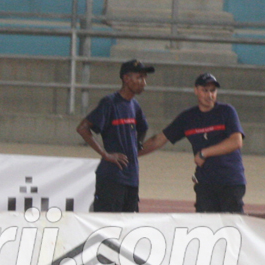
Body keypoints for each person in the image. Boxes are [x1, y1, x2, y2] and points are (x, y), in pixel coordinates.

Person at [139, 73, 246, 213]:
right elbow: (159, 139)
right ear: (196, 90)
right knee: (204, 223)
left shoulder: (226, 111)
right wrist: (133, 154)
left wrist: (204, 153)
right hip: (205, 183)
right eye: (205, 90)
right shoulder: (188, 117)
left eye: (213, 91)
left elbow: (236, 142)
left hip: (230, 181)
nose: (210, 95)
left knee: (231, 223)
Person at [76, 59, 155, 212]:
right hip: (112, 177)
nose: (144, 83)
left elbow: (143, 127)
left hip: (132, 177)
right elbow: (83, 128)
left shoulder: (134, 105)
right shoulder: (110, 103)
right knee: (108, 222)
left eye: (145, 78)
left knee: (128, 223)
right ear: (126, 78)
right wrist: (105, 154)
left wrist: (138, 144)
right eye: (139, 77)